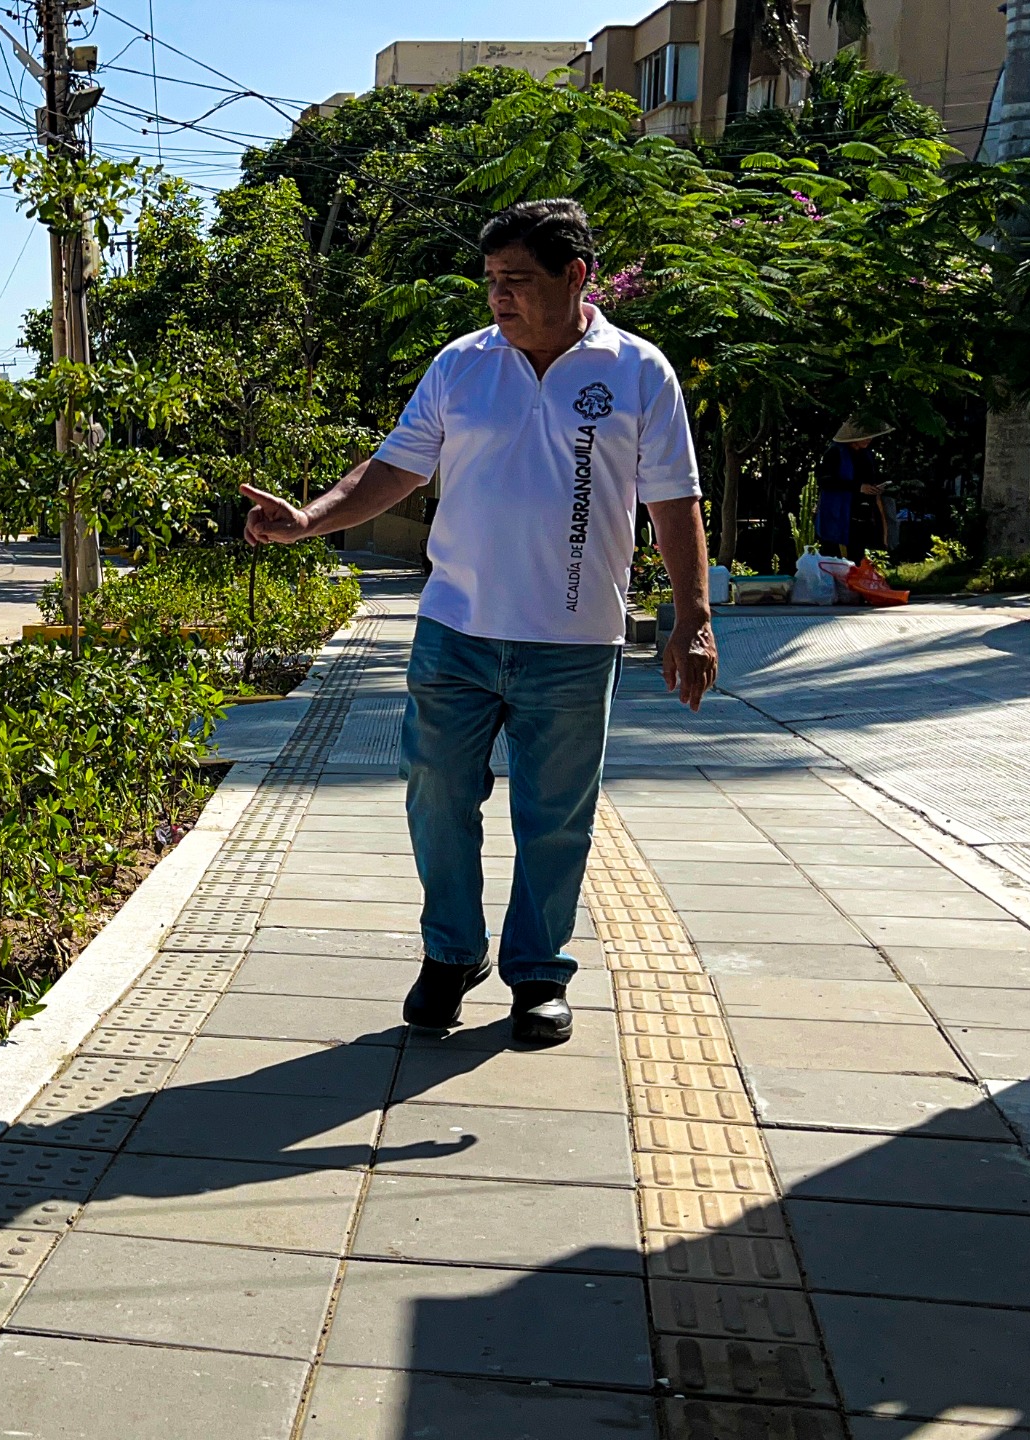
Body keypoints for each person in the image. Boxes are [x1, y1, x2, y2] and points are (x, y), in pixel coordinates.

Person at [242, 198, 718, 1046]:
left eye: (517, 281)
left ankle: (537, 974)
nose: (498, 297)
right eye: (491, 281)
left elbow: (673, 499)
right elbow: (393, 467)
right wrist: (310, 519)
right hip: (455, 629)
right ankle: (452, 954)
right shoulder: (463, 365)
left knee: (555, 814)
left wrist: (694, 618)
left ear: (576, 278)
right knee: (436, 794)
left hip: (573, 643)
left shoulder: (640, 372)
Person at [823, 419, 892, 560]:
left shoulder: (866, 454)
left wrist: (875, 488)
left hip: (862, 514)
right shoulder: (835, 452)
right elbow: (825, 481)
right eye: (865, 436)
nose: (869, 439)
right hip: (839, 514)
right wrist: (858, 487)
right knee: (838, 557)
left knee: (857, 557)